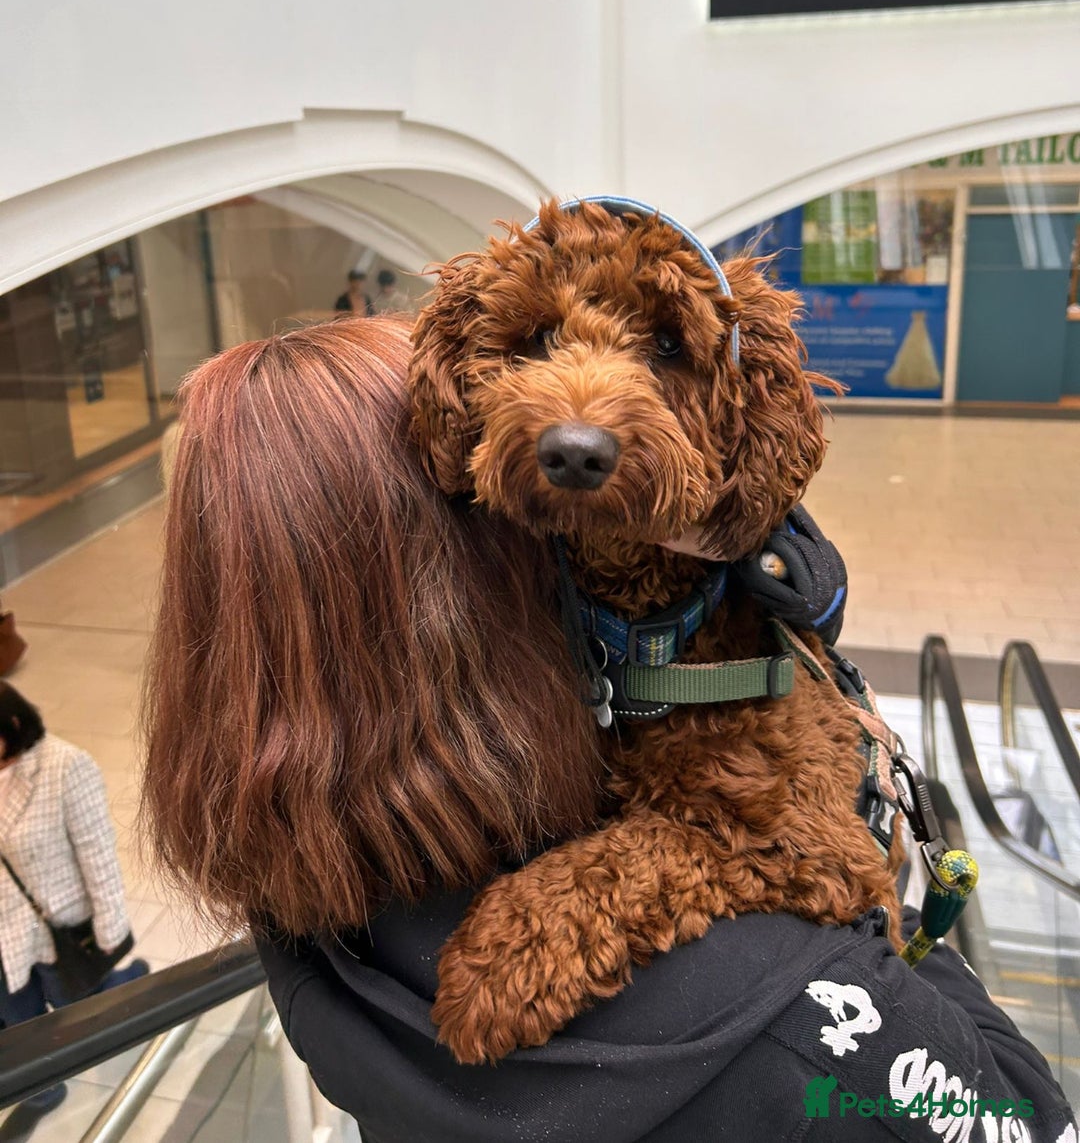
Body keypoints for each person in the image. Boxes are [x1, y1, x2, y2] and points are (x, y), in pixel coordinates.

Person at [142, 318, 1075, 1143]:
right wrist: (897, 932)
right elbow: (1023, 1112)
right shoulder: (797, 1008)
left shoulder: (309, 922)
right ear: (473, 589)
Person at [0, 684, 148, 1113]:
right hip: (4, 939)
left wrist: (110, 929)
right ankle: (40, 1088)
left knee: (80, 1007)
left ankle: (129, 982)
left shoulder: (64, 766)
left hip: (53, 929)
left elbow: (98, 852)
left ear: (12, 724)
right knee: (17, 1022)